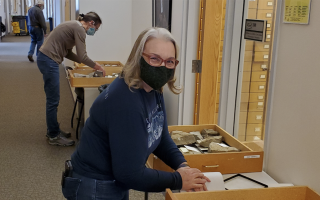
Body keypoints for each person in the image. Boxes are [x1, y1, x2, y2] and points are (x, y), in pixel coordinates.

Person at [61, 27, 210, 199]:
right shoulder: (126, 101)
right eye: (154, 59)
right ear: (138, 57)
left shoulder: (154, 89)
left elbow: (160, 137)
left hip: (115, 181)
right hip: (94, 185)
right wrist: (178, 180)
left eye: (170, 61)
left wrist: (182, 165)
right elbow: (130, 174)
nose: (163, 67)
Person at [37, 12, 106, 146]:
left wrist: (84, 62)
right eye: (96, 29)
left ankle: (54, 129)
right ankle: (53, 136)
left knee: (53, 99)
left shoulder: (74, 25)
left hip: (45, 58)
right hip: (48, 59)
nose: (94, 31)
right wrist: (97, 66)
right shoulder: (80, 29)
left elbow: (68, 52)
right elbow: (83, 55)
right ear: (91, 23)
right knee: (53, 100)